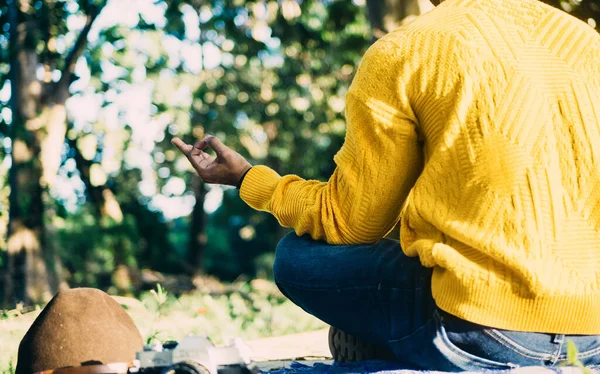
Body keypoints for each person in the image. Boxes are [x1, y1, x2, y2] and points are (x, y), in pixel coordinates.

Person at [173, 0, 600, 370]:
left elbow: (350, 223)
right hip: (593, 337)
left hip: (480, 331)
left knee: (296, 257)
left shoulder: (405, 50)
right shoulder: (587, 43)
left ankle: (399, 345)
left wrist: (249, 177)